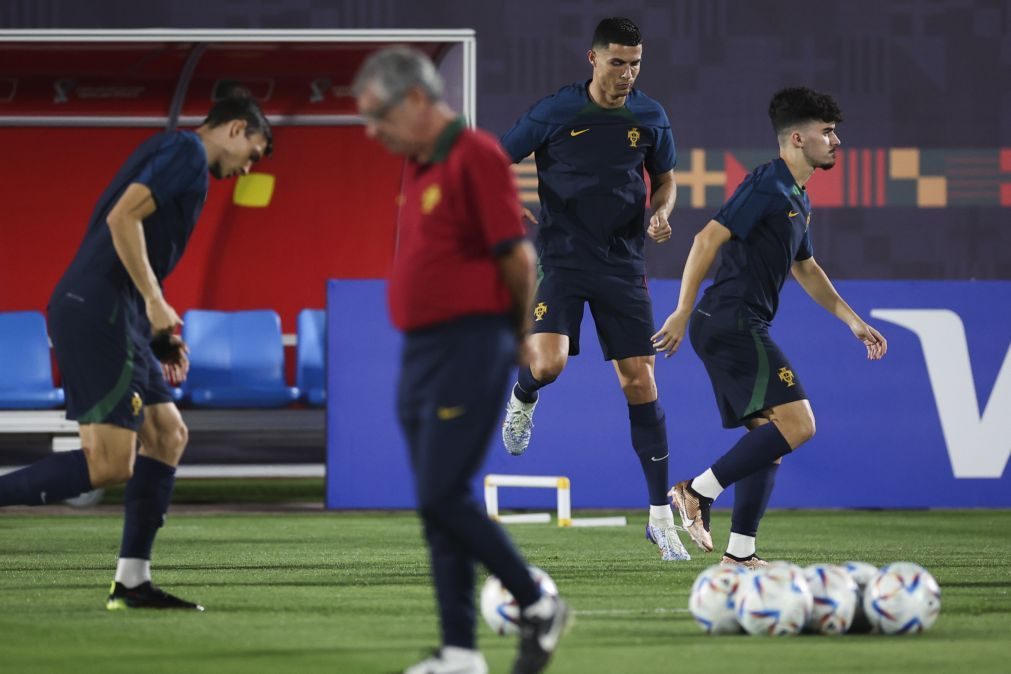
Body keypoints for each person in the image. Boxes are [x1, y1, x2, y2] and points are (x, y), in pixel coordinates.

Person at [0, 94, 272, 609]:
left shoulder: (178, 157)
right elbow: (122, 219)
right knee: (108, 465)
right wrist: (155, 301)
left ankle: (131, 582)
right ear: (236, 129)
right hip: (98, 310)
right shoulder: (188, 152)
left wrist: (154, 331)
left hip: (116, 314)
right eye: (253, 154)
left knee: (168, 434)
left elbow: (132, 233)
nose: (246, 168)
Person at [352, 47, 570, 674]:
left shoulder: (473, 155)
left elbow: (517, 258)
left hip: (470, 346)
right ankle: (459, 653)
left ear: (415, 100)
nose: (372, 133)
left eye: (377, 117)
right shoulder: (419, 166)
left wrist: (520, 337)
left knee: (444, 496)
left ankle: (535, 603)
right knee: (434, 503)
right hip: (421, 353)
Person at [652, 86, 888, 568]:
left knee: (769, 443)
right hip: (730, 319)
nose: (836, 141)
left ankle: (740, 556)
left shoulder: (798, 199)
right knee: (799, 424)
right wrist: (680, 308)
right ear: (797, 138)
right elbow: (705, 238)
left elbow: (807, 269)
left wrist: (853, 321)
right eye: (827, 132)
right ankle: (697, 490)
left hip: (737, 322)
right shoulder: (766, 184)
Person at [498, 17, 689, 561]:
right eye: (617, 62)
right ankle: (523, 396)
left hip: (624, 264)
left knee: (640, 382)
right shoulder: (555, 111)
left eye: (635, 63)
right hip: (561, 258)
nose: (627, 73)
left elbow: (667, 177)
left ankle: (658, 519)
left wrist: (662, 211)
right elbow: (495, 158)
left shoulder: (650, 116)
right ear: (593, 58)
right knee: (549, 364)